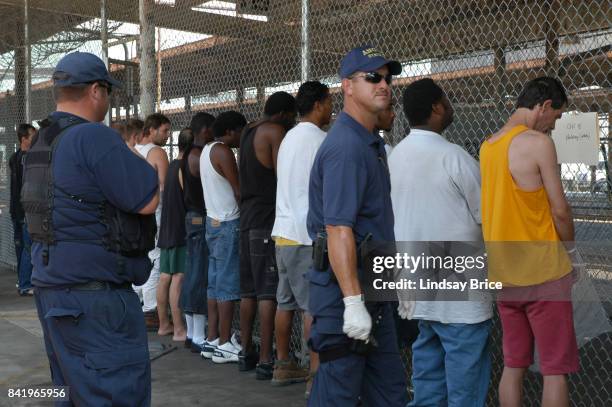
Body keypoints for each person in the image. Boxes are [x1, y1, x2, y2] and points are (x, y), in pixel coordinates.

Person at [25, 51, 158, 405]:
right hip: (95, 300)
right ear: (97, 91)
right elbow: (146, 198)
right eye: (108, 92)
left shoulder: (43, 140)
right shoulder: (93, 137)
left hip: (54, 290)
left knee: (72, 392)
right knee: (115, 393)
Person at [306, 45, 407, 406]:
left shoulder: (369, 143)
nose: (384, 84)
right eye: (373, 78)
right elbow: (338, 229)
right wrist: (352, 302)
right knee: (338, 394)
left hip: (373, 291)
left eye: (387, 78)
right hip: (345, 296)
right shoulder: (347, 146)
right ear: (347, 86)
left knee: (390, 394)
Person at [390, 78, 492, 406]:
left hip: (416, 282)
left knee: (428, 367)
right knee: (465, 373)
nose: (450, 106)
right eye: (446, 100)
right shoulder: (454, 157)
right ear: (436, 107)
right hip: (459, 289)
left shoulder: (395, 157)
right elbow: (486, 216)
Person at [480, 77, 578, 407]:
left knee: (513, 365)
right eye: (557, 116)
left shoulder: (488, 146)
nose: (554, 125)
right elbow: (560, 211)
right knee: (554, 369)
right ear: (545, 106)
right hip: (543, 271)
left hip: (505, 275)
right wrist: (570, 251)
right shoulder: (537, 143)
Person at [271, 81, 332, 392]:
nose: (332, 108)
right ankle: (314, 375)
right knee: (313, 307)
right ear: (319, 104)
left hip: (282, 233)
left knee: (286, 303)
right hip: (306, 235)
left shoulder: (288, 138)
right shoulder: (322, 140)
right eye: (330, 101)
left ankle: (283, 365)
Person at [238, 91, 297, 380]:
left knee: (248, 289)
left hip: (247, 217)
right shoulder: (273, 131)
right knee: (267, 291)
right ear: (285, 114)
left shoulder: (248, 131)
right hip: (265, 217)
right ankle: (265, 358)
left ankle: (246, 350)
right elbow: (282, 174)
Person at [200, 111, 246, 363]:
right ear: (230, 132)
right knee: (228, 284)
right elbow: (237, 189)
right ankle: (226, 343)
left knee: (215, 283)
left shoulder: (207, 151)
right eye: (240, 132)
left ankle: (213, 338)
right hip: (228, 222)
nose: (241, 137)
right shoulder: (222, 151)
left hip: (212, 221)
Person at [181, 112, 215, 352]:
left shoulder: (187, 154)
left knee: (193, 270)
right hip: (199, 217)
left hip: (192, 217)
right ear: (205, 130)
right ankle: (196, 334)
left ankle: (193, 332)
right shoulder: (198, 155)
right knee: (198, 272)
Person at [135, 113, 171, 328]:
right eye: (165, 131)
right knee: (155, 260)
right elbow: (165, 187)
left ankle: (138, 302)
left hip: (137, 212)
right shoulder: (157, 152)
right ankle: (150, 310)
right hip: (156, 212)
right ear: (153, 129)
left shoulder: (134, 150)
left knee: (141, 255)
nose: (167, 135)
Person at [156, 127, 193, 341]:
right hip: (180, 229)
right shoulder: (182, 168)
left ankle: (164, 325)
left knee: (165, 277)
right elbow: (189, 200)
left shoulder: (170, 166)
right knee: (178, 278)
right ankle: (179, 329)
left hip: (167, 228)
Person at [9, 123, 36, 296]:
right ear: (24, 139)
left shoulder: (14, 157)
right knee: (27, 248)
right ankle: (26, 283)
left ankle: (22, 280)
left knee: (20, 247)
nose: (36, 139)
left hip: (16, 209)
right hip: (25, 210)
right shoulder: (29, 158)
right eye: (33, 136)